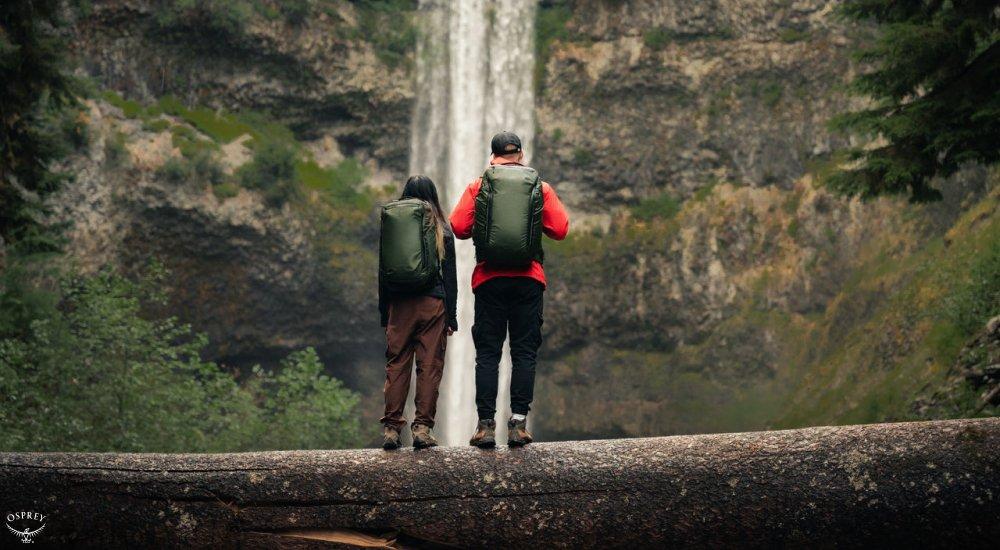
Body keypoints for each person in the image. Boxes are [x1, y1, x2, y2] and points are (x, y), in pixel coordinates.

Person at [450, 131, 569, 448]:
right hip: (528, 281)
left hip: (489, 281)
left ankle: (485, 426)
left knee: (488, 355)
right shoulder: (539, 187)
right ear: (521, 155)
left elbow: (459, 227)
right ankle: (518, 424)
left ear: (493, 157)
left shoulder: (479, 186)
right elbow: (560, 229)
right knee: (524, 353)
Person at [378, 175, 457, 450]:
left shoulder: (393, 228)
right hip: (432, 304)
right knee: (429, 366)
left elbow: (383, 273)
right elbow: (450, 276)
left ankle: (391, 429)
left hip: (399, 306)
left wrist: (383, 312)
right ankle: (422, 428)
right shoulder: (441, 229)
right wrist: (452, 316)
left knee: (397, 364)